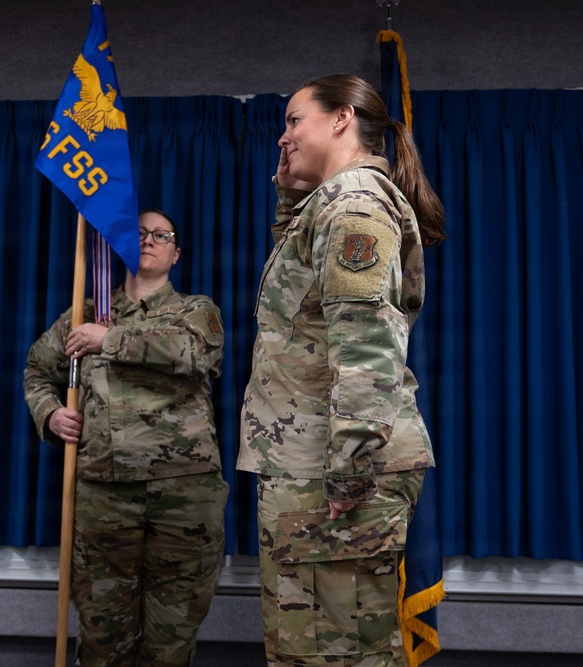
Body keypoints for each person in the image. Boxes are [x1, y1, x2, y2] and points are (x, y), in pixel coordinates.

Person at [237, 74, 446, 667]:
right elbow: (308, 310)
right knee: (308, 648)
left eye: (294, 120)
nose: (283, 137)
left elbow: (366, 344)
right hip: (310, 459)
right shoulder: (329, 203)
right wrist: (290, 196)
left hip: (333, 466)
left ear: (341, 118)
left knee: (338, 654)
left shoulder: (353, 204)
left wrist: (350, 467)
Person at [24, 209, 229, 666]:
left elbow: (194, 354)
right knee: (103, 639)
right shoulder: (83, 314)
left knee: (170, 643)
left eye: (161, 235)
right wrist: (50, 413)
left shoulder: (196, 310)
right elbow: (37, 369)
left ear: (177, 253)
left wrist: (109, 340)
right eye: (139, 233)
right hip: (105, 494)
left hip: (184, 495)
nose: (149, 240)